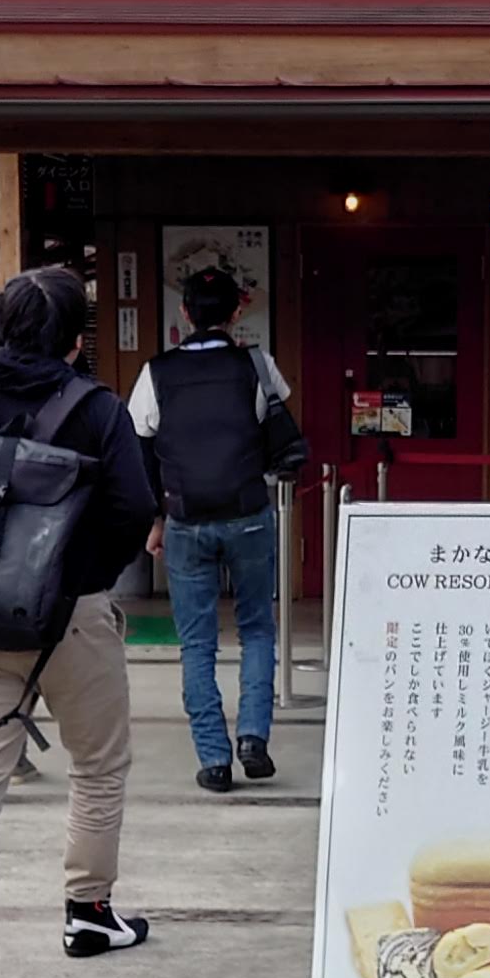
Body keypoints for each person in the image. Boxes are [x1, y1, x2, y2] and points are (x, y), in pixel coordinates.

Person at [0, 265, 162, 978]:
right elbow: (133, 509)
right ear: (76, 342)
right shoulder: (98, 410)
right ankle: (88, 912)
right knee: (99, 766)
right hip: (73, 619)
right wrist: (83, 577)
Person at [127, 265, 307, 792]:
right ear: (236, 313)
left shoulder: (155, 372)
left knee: (198, 644)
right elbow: (278, 422)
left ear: (184, 314)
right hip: (249, 514)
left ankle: (214, 759)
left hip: (185, 521)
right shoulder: (255, 364)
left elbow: (140, 450)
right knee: (256, 629)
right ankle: (253, 736)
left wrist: (155, 521)